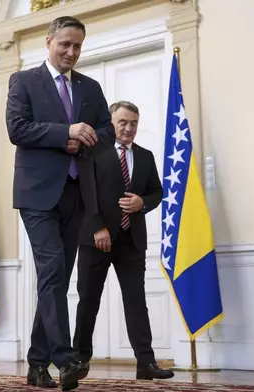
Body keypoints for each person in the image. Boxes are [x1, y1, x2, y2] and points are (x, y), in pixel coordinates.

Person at [6, 15, 115, 390]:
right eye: (64, 44)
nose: (71, 52)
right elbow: (16, 128)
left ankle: (37, 366)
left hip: (76, 194)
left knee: (57, 277)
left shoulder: (90, 87)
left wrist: (85, 138)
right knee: (53, 269)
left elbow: (108, 132)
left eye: (77, 46)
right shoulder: (24, 81)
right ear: (48, 41)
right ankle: (65, 357)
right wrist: (63, 133)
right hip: (37, 194)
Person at [74, 101, 174, 380]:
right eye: (123, 122)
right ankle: (79, 361)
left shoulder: (145, 156)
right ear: (111, 122)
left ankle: (146, 363)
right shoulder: (93, 150)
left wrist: (142, 203)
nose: (128, 128)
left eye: (133, 123)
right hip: (96, 239)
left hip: (132, 240)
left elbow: (157, 192)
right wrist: (97, 228)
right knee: (88, 301)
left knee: (136, 301)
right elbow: (85, 193)